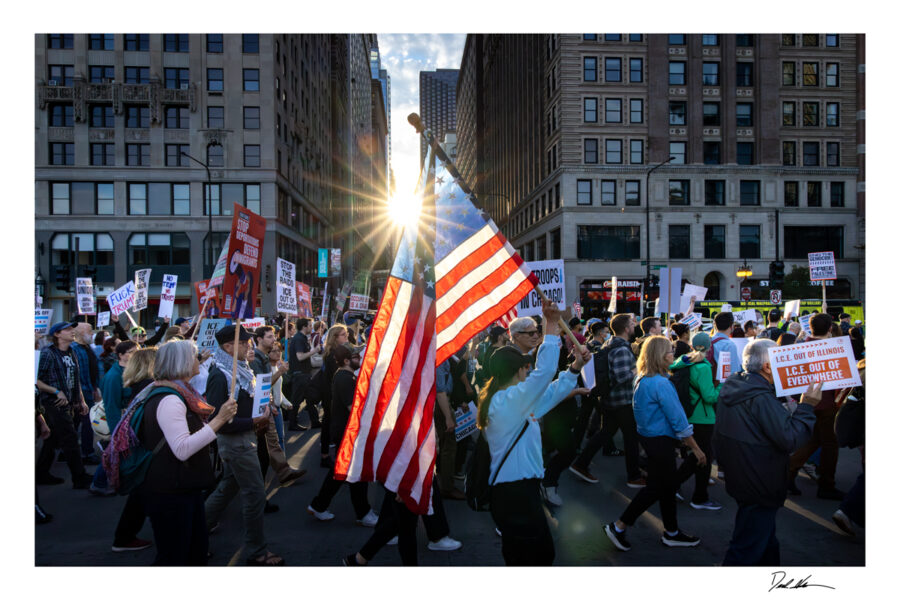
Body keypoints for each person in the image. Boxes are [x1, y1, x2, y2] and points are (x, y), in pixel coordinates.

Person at [480, 299, 588, 565]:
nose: (529, 370)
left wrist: (574, 368)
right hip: (514, 492)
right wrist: (550, 325)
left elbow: (548, 394)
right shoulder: (507, 401)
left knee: (528, 555)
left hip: (520, 490)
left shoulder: (510, 400)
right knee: (536, 557)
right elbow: (545, 373)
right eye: (525, 367)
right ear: (517, 370)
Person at [128, 340, 239, 565]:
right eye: (194, 355)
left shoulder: (177, 392)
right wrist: (219, 420)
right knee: (176, 555)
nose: (199, 359)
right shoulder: (170, 399)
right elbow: (182, 449)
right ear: (181, 363)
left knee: (193, 550)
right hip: (170, 489)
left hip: (181, 485)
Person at [713, 339, 820, 566]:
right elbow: (790, 438)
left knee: (765, 543)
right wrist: (807, 406)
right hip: (760, 481)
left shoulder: (735, 384)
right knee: (745, 550)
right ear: (768, 367)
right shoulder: (759, 397)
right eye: (781, 359)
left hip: (744, 477)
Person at [604, 336, 706, 552]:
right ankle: (619, 526)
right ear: (660, 355)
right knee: (656, 489)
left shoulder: (642, 377)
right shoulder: (661, 383)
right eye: (670, 351)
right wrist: (696, 449)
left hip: (651, 440)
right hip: (660, 442)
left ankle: (672, 532)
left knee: (666, 488)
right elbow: (679, 420)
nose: (673, 355)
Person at [204, 324, 284, 566]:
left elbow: (246, 401)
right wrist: (253, 421)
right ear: (228, 347)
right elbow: (219, 421)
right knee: (255, 495)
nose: (249, 345)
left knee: (228, 488)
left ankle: (193, 532)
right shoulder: (220, 375)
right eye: (244, 342)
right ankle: (257, 551)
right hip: (236, 443)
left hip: (243, 438)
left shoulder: (239, 369)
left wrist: (263, 409)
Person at [307, 343, 378, 525]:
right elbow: (353, 409)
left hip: (345, 430)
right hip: (347, 431)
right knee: (351, 472)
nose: (359, 360)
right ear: (346, 360)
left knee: (345, 472)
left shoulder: (345, 376)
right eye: (356, 357)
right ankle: (362, 513)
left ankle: (321, 505)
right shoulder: (345, 379)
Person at [570, 313, 643, 487]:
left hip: (610, 399)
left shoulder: (610, 344)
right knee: (631, 438)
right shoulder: (622, 349)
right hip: (622, 401)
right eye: (632, 324)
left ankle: (581, 464)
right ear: (626, 329)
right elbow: (621, 376)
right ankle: (634, 476)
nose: (634, 327)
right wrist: (639, 371)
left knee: (605, 433)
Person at [787, 313, 845, 500]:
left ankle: (788, 472)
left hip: (806, 403)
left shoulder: (800, 347)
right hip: (828, 403)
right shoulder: (836, 348)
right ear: (830, 329)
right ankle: (826, 485)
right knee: (829, 444)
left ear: (809, 328)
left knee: (813, 440)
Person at [108, 347, 158, 552]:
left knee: (142, 496)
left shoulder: (139, 384)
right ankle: (124, 537)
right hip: (142, 448)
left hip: (139, 447)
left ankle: (124, 536)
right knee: (147, 496)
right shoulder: (147, 386)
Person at [248, 326, 306, 491]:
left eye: (273, 336)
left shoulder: (264, 358)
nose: (274, 340)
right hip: (261, 411)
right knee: (265, 451)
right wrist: (279, 372)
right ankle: (261, 491)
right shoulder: (256, 359)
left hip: (267, 407)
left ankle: (283, 472)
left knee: (273, 443)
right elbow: (262, 385)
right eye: (269, 337)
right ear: (259, 339)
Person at [35, 322, 92, 489]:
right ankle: (79, 477)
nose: (72, 331)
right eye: (67, 329)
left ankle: (41, 473)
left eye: (72, 329)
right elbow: (35, 379)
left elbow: (76, 379)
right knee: (70, 439)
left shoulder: (72, 352)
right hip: (52, 403)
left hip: (69, 403)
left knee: (52, 439)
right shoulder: (48, 353)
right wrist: (55, 391)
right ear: (57, 334)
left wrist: (80, 400)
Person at [670, 332, 720, 510]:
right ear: (709, 347)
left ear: (692, 345)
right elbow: (709, 397)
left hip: (688, 414)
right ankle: (699, 497)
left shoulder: (683, 361)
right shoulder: (704, 367)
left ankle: (678, 487)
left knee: (697, 455)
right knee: (702, 456)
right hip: (704, 417)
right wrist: (721, 386)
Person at [71, 322, 103, 462]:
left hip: (88, 389)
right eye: (89, 330)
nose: (92, 333)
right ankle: (87, 453)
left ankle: (69, 451)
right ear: (80, 333)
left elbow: (91, 370)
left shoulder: (87, 347)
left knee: (78, 422)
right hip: (81, 392)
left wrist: (94, 388)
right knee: (86, 423)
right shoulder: (74, 349)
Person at [287, 318, 322, 431]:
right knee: (296, 400)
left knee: (310, 398)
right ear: (304, 326)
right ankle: (292, 424)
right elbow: (300, 356)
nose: (311, 327)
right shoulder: (298, 339)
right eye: (310, 325)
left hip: (304, 374)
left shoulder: (301, 338)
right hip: (300, 374)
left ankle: (315, 421)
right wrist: (314, 350)